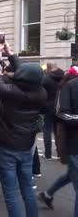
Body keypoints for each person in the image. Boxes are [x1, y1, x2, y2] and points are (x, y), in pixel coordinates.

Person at [0, 41, 47, 217]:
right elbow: (28, 75)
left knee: (11, 192)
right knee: (27, 187)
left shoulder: (11, 92)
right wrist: (11, 55)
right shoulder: (41, 92)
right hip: (26, 145)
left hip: (7, 146)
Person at [38, 66, 78, 215]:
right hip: (74, 143)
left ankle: (47, 194)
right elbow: (61, 114)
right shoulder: (70, 86)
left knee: (71, 174)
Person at [42, 62, 65, 159]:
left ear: (48, 68)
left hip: (48, 106)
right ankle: (60, 153)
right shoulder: (64, 76)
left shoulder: (46, 79)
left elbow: (41, 92)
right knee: (58, 130)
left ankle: (48, 154)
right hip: (60, 106)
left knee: (47, 129)